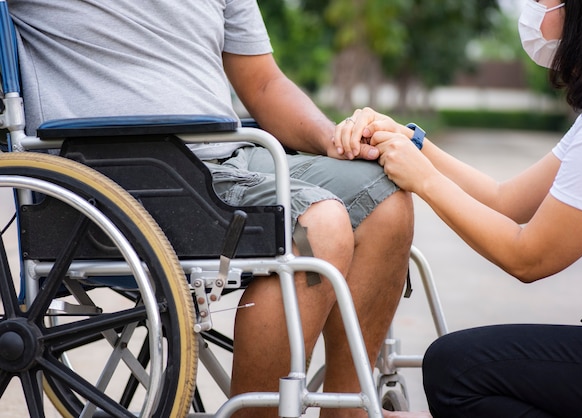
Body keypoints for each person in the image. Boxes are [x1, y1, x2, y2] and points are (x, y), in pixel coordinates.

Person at [7, 1, 417, 417]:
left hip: (228, 153)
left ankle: (348, 409)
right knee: (315, 227)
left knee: (386, 197)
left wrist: (332, 138)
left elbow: (262, 83)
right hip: (117, 170)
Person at [334, 0, 582, 416]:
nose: (532, 9)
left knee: (457, 371)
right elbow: (505, 201)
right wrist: (409, 140)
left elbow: (529, 257)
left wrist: (424, 179)